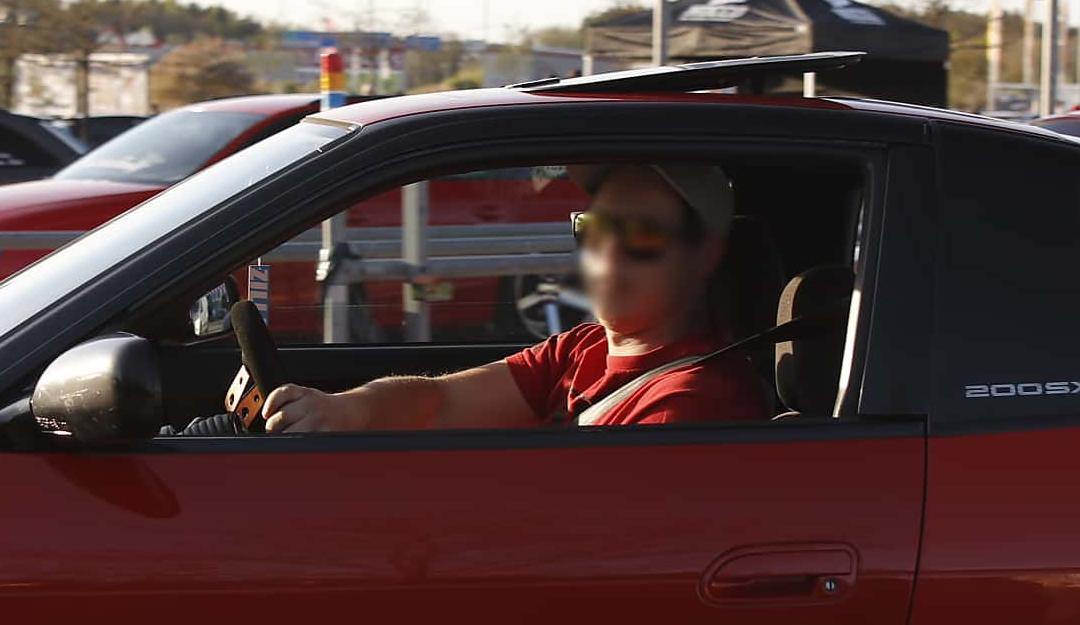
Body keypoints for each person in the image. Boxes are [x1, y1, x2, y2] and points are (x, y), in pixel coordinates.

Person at [232, 159, 769, 433]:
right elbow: (439, 402)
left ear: (705, 255)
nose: (608, 256)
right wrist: (343, 412)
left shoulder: (693, 402)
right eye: (596, 229)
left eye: (643, 237)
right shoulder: (581, 349)